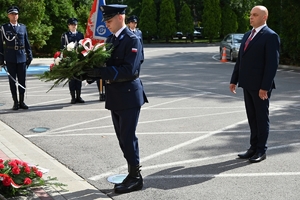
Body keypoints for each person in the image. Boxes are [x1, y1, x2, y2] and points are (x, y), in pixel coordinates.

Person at [84, 4, 148, 193]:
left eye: (109, 21)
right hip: (116, 97)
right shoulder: (111, 39)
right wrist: (88, 74)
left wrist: (100, 72)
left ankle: (136, 177)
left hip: (129, 96)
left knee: (128, 138)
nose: (107, 24)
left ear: (120, 17)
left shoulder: (132, 39)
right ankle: (132, 174)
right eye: (105, 21)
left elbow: (130, 71)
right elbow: (106, 65)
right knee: (122, 139)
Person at [229, 5, 280, 163]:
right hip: (247, 84)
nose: (251, 17)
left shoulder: (270, 36)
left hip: (260, 88)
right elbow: (241, 60)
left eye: (255, 15)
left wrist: (265, 87)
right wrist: (234, 80)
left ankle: (261, 150)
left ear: (264, 17)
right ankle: (252, 148)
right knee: (252, 118)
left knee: (261, 118)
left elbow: (272, 64)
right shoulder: (247, 35)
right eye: (251, 14)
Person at [0, 6, 32, 110]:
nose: (14, 16)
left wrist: (29, 54)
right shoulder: (4, 28)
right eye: (12, 14)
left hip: (21, 57)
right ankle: (15, 102)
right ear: (8, 15)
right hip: (10, 57)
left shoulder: (22, 27)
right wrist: (1, 59)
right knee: (12, 81)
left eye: (16, 14)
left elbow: (26, 42)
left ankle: (22, 101)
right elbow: (0, 44)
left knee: (22, 80)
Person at [61, 18, 85, 104]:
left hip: (79, 59)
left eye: (75, 24)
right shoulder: (66, 35)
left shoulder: (80, 35)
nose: (74, 26)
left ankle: (79, 96)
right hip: (70, 59)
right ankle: (73, 97)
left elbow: (83, 46)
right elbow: (63, 47)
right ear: (69, 26)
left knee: (79, 78)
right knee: (72, 79)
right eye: (72, 25)